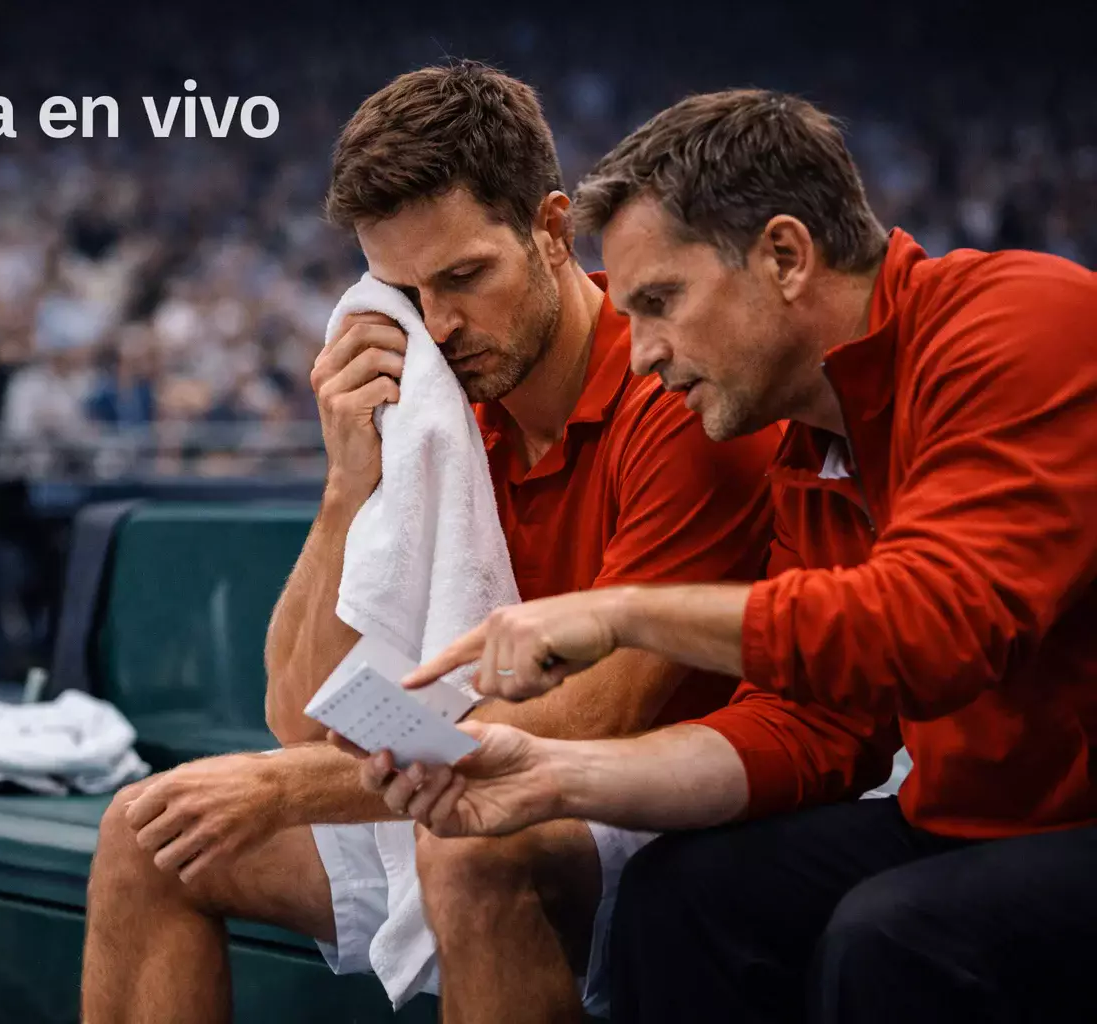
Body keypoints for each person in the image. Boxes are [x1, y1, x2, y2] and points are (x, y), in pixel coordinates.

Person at [353, 88, 1097, 1024]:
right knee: (681, 897)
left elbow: (932, 625)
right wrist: (546, 776)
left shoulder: (1024, 321)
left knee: (892, 936)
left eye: (661, 303)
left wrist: (624, 613)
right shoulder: (812, 444)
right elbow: (808, 729)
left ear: (785, 256)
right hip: (971, 826)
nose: (643, 354)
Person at [79, 62, 779, 1023]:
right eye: (407, 292)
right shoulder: (438, 412)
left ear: (552, 228)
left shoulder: (670, 389)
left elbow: (593, 718)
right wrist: (346, 487)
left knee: (471, 852)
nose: (441, 326)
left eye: (465, 277)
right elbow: (298, 712)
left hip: (658, 805)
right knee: (150, 831)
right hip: (466, 777)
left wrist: (286, 789)